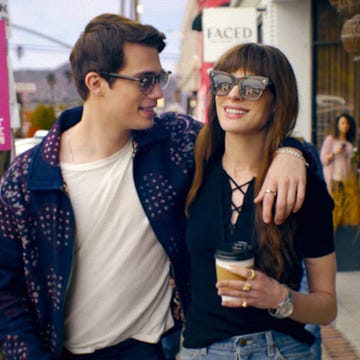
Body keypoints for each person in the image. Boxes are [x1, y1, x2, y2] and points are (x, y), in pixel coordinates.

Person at [0, 14, 310, 360]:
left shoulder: (174, 142)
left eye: (160, 78)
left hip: (154, 348)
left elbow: (249, 135)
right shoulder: (27, 180)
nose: (160, 93)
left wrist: (293, 151)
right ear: (96, 83)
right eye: (145, 81)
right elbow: (6, 290)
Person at [181, 43, 337, 360]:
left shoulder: (304, 189)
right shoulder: (191, 170)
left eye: (252, 88)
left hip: (280, 349)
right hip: (204, 351)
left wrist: (280, 297)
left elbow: (327, 307)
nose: (233, 95)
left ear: (278, 102)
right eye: (223, 82)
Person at [320, 113, 358, 230]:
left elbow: (353, 164)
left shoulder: (351, 143)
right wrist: (335, 152)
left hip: (347, 181)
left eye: (347, 123)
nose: (345, 126)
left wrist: (355, 159)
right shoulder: (331, 140)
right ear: (337, 125)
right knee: (334, 209)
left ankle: (343, 236)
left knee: (346, 210)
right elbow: (323, 159)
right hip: (334, 180)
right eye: (342, 123)